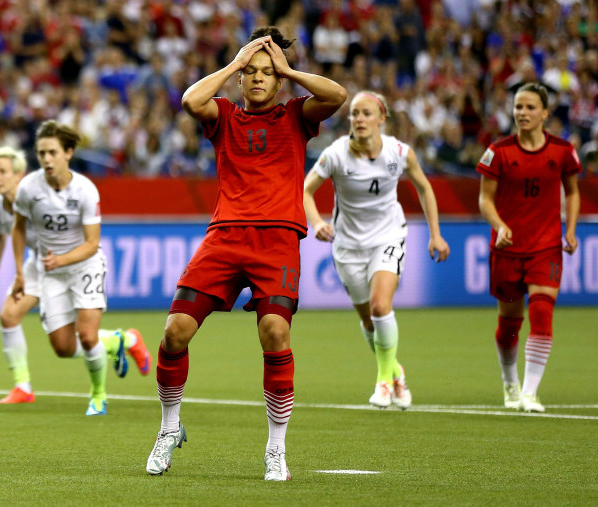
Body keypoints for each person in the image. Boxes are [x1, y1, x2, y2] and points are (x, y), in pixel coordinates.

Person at [145, 27, 347, 481]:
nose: (257, 79)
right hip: (225, 236)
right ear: (239, 80)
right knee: (174, 332)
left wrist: (289, 69)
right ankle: (168, 428)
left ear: (278, 83)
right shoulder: (223, 116)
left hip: (276, 240)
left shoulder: (297, 115)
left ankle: (276, 449)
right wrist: (236, 62)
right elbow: (190, 101)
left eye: (265, 73)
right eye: (250, 73)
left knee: (275, 333)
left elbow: (338, 95)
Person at [303, 90, 450, 410]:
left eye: (366, 113)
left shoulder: (399, 152)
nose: (359, 119)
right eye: (354, 114)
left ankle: (383, 381)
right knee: (370, 321)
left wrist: (435, 235)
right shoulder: (337, 154)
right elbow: (306, 190)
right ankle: (395, 371)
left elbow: (424, 187)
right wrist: (316, 223)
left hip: (388, 237)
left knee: (381, 307)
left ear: (382, 119)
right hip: (347, 247)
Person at [0, 146, 151, 404]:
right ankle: (23, 387)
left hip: (71, 266)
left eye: (2, 172)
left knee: (74, 341)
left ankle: (123, 340)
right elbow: (0, 238)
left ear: (19, 175)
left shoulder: (38, 196)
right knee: (9, 316)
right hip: (39, 264)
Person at [476, 82, 581, 413]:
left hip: (546, 247)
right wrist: (499, 225)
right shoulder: (499, 151)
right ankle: (511, 382)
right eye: (518, 107)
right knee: (510, 322)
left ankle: (530, 393)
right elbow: (485, 199)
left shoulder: (563, 151)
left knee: (541, 312)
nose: (522, 112)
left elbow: (573, 192)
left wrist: (572, 230)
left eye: (530, 107)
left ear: (545, 113)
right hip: (507, 249)